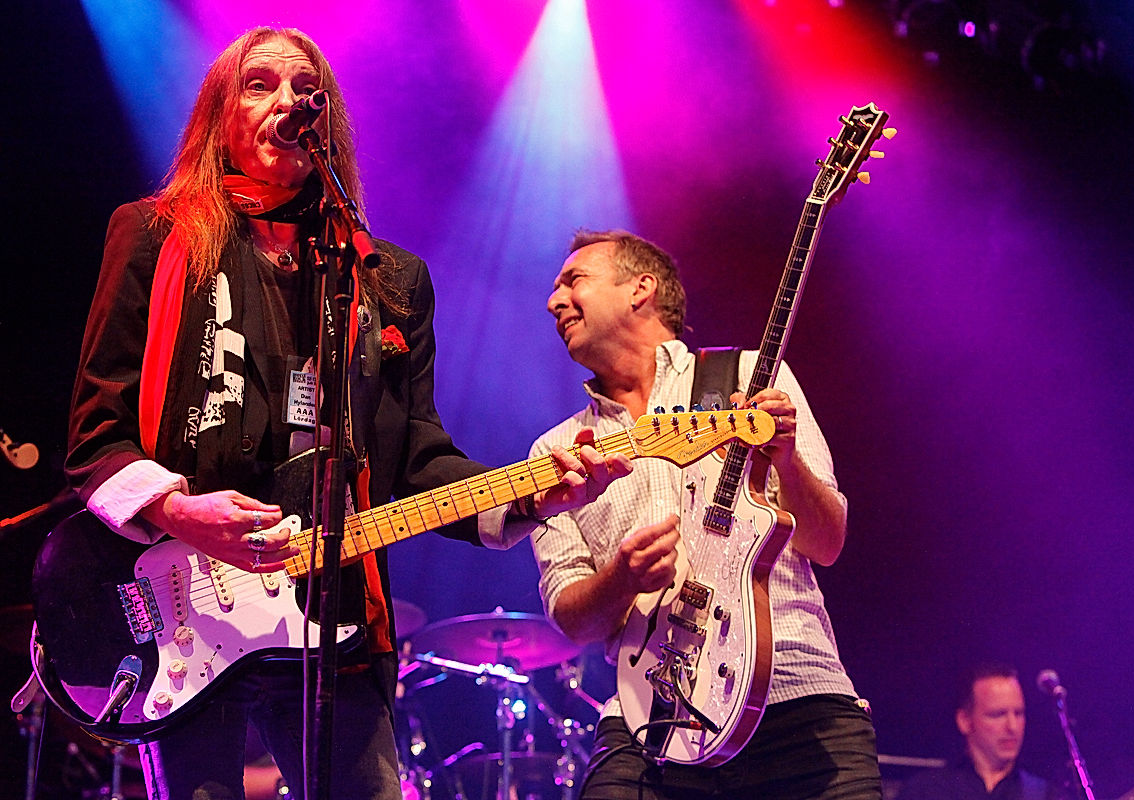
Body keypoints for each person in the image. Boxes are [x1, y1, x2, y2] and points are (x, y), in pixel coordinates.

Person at [63, 27, 626, 800]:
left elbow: (415, 457)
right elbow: (96, 434)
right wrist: (177, 509)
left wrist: (532, 493)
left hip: (334, 614)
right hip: (181, 606)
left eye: (306, 90)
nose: (287, 101)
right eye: (259, 85)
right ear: (218, 115)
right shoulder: (155, 237)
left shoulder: (386, 279)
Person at [524, 229, 881, 798]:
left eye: (574, 281)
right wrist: (622, 578)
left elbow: (827, 542)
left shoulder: (748, 377)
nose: (554, 301)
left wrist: (786, 461)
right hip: (651, 718)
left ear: (641, 289)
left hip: (794, 694)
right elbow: (571, 619)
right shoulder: (558, 451)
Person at [896, 663, 1053, 800]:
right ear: (964, 720)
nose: (1012, 726)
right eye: (997, 714)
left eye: (1018, 713)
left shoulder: (1046, 795)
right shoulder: (925, 792)